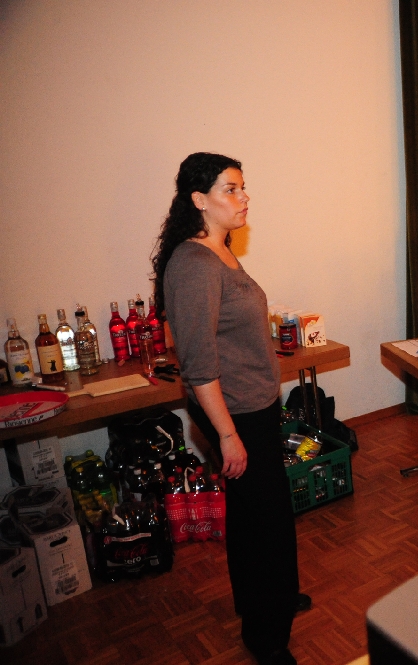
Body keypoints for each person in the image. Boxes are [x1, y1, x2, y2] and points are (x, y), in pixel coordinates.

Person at [151, 153, 304, 665]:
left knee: (252, 513)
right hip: (234, 414)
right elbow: (198, 365)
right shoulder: (194, 265)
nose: (244, 197)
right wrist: (228, 435)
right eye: (231, 189)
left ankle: (267, 600)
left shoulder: (220, 251)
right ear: (199, 200)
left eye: (243, 187)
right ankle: (267, 636)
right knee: (269, 523)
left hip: (250, 406)